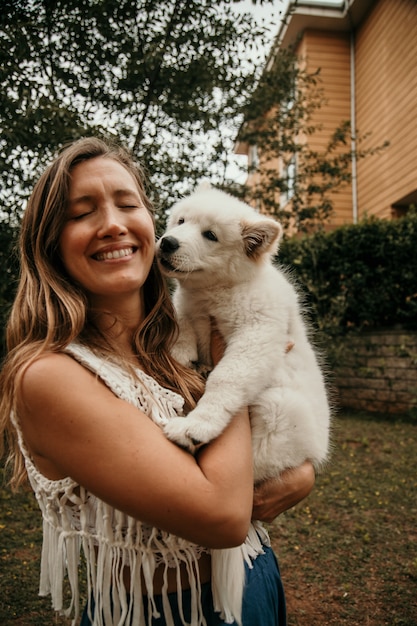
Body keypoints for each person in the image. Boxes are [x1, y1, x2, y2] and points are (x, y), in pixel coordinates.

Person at [0, 137, 315, 626]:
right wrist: (224, 363)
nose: (112, 224)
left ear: (149, 224)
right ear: (49, 242)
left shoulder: (170, 338)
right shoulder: (50, 376)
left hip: (256, 578)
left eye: (129, 204)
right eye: (82, 212)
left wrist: (302, 474)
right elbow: (224, 516)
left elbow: (281, 425)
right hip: (168, 611)